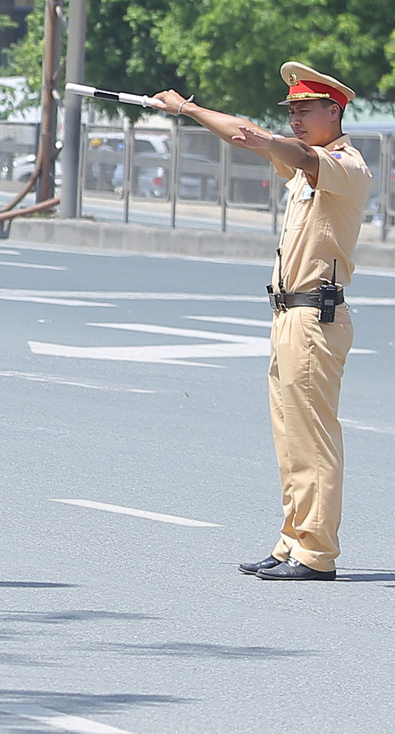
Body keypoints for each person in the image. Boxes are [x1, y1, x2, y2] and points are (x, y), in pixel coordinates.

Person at [152, 62, 369, 582]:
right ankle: (292, 539)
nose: (294, 118)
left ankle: (316, 552)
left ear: (333, 110)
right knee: (290, 436)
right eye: (290, 110)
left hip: (316, 314)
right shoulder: (303, 165)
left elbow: (268, 143)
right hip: (290, 313)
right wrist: (188, 111)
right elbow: (250, 140)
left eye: (304, 109)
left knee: (313, 438)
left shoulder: (344, 164)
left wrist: (194, 110)